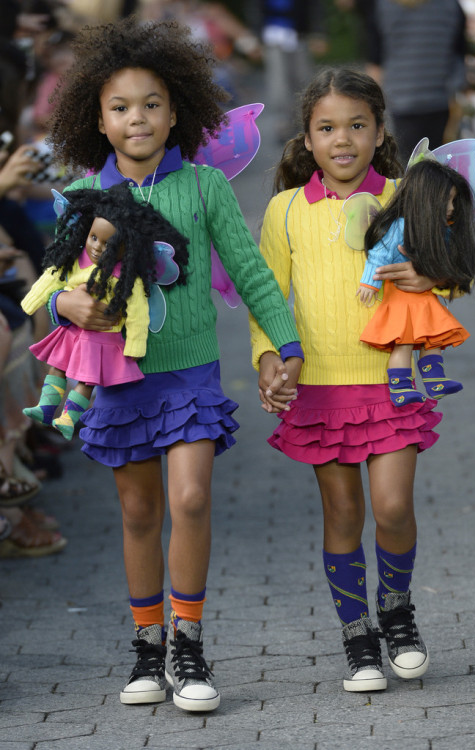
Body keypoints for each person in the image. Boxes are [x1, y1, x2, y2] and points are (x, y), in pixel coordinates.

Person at [45, 16, 302, 710]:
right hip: (120, 379)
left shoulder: (206, 188)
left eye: (152, 104)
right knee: (137, 513)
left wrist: (286, 345)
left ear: (177, 111)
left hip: (190, 373)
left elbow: (250, 274)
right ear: (96, 120)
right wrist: (66, 307)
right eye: (121, 107)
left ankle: (189, 646)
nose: (138, 118)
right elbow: (54, 287)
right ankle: (146, 647)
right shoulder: (83, 199)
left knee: (189, 498)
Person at [249, 67, 449, 693]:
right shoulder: (283, 211)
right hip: (320, 389)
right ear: (307, 139)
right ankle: (357, 636)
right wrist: (267, 359)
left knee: (392, 507)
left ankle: (397, 611)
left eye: (357, 126)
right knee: (342, 513)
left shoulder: (404, 194)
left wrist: (428, 278)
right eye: (327, 128)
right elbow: (266, 298)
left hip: (391, 384)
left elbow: (448, 272)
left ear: (380, 131)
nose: (343, 139)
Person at [21, 183, 189, 440]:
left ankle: (68, 418)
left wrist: (134, 346)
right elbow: (51, 277)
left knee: (86, 380)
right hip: (73, 331)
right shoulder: (76, 260)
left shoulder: (126, 277)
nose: (98, 247)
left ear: (126, 248)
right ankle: (45, 408)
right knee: (57, 367)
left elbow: (138, 314)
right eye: (94, 238)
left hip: (103, 336)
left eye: (109, 244)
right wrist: (32, 302)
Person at [356, 158, 475, 406]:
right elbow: (379, 255)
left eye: (453, 200)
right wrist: (369, 283)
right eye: (445, 200)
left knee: (432, 338)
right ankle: (400, 387)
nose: (450, 207)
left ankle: (435, 380)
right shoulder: (400, 227)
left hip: (425, 297)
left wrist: (439, 273)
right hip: (401, 298)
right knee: (402, 344)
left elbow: (453, 260)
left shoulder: (440, 228)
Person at [367, 0, 467, 163]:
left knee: (407, 166)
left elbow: (375, 60)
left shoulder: (382, 6)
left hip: (399, 100)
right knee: (440, 165)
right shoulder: (451, 6)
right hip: (440, 100)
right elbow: (459, 55)